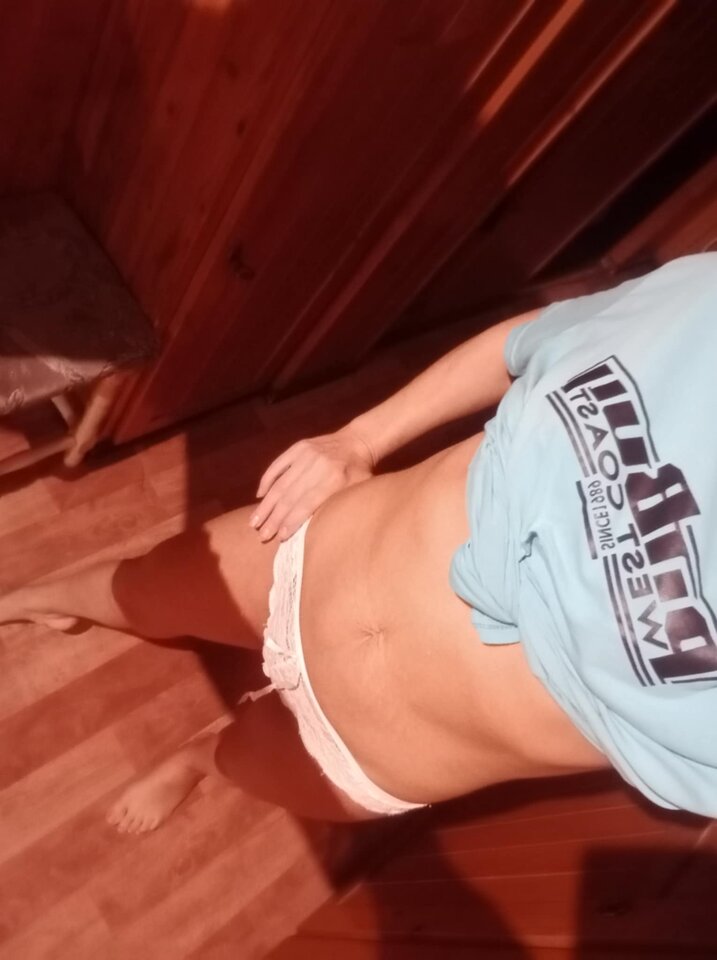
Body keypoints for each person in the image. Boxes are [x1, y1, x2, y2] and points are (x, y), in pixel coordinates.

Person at [1, 253, 715, 834]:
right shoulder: (701, 302)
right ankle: (48, 599)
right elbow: (525, 343)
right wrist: (359, 439)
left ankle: (196, 760)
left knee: (240, 758)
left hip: (378, 759)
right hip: (313, 558)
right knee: (142, 586)